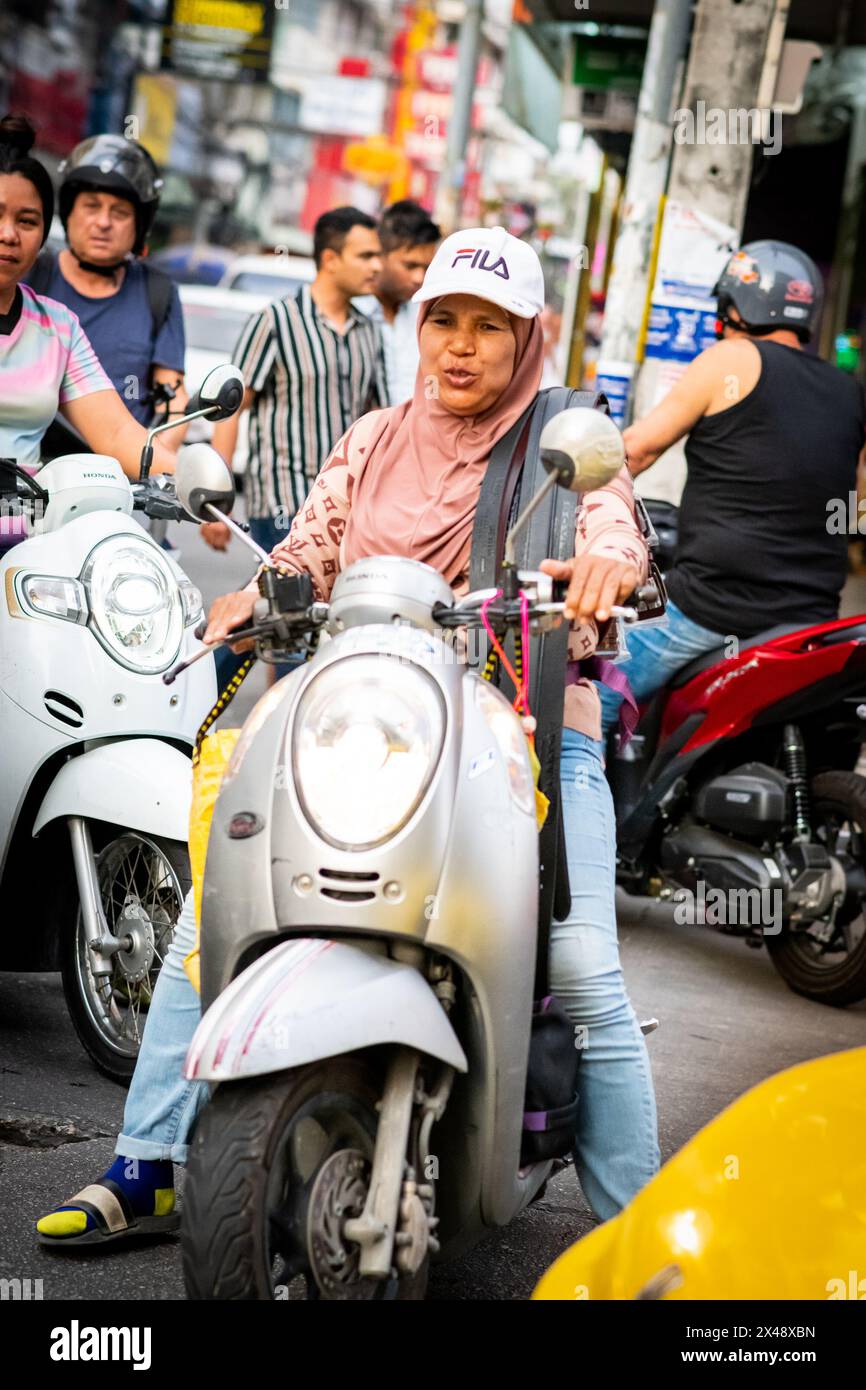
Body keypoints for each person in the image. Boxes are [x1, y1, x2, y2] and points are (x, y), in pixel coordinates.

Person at [37, 227, 658, 1249]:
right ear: (419, 327)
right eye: (444, 321)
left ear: (526, 339)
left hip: (529, 730)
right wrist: (260, 590)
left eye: (489, 327)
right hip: (363, 725)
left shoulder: (561, 438)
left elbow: (610, 521)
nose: (461, 346)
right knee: (211, 918)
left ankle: (646, 1240)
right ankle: (147, 1164)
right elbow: (311, 546)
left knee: (585, 966)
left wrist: (608, 566)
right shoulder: (373, 438)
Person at [597, 240, 866, 736]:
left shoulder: (730, 359)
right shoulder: (848, 392)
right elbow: (859, 504)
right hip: (812, 621)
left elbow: (634, 451)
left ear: (737, 306)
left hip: (709, 609)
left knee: (585, 697)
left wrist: (571, 492)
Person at [199, 207, 386, 570]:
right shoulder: (275, 321)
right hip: (282, 502)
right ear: (330, 259)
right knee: (283, 596)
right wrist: (217, 501)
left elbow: (375, 421)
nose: (377, 266)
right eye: (365, 256)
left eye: (378, 256)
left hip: (344, 505)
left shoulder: (369, 331)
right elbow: (229, 410)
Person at [0, 115, 176, 483]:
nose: (9, 235)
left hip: (30, 515)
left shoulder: (58, 327)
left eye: (27, 221)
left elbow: (116, 433)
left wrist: (192, 477)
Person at [24, 132, 188, 446]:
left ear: (139, 225)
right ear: (68, 213)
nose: (103, 222)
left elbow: (174, 400)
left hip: (119, 469)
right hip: (30, 464)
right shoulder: (31, 275)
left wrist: (153, 459)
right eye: (91, 206)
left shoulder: (158, 291)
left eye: (120, 212)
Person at [354, 199, 440, 404]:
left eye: (427, 267)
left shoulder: (427, 316)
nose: (419, 277)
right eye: (410, 266)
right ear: (380, 256)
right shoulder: (352, 313)